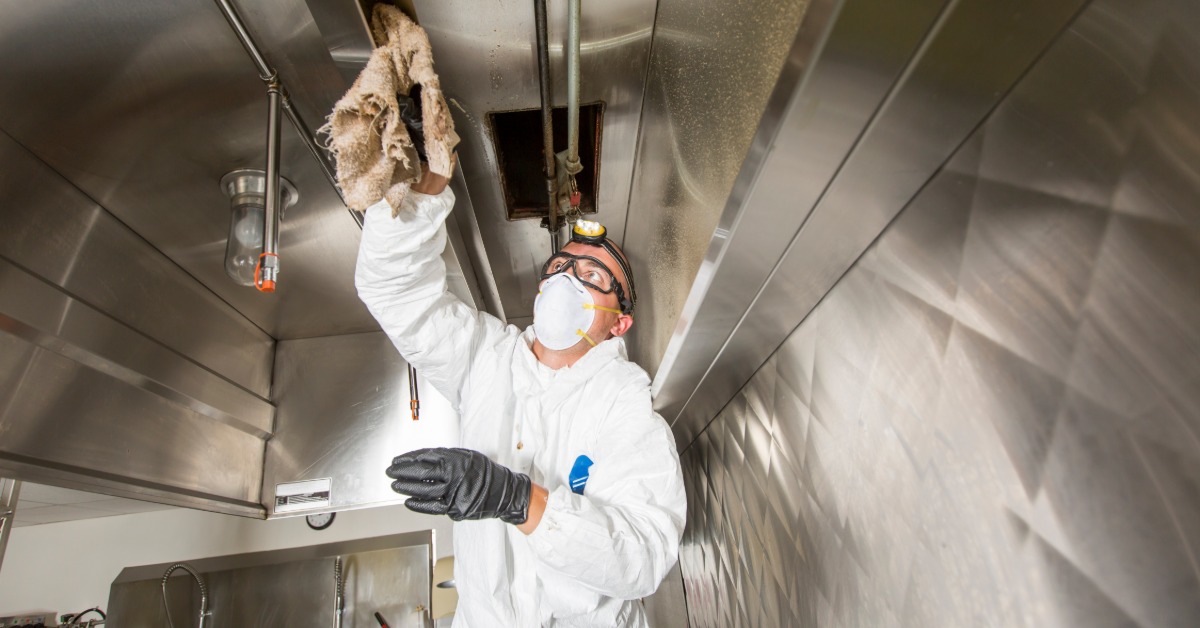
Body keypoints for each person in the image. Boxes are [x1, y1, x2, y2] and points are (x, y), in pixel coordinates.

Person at [355, 163, 686, 627]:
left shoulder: (628, 415)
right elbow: (395, 293)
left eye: (592, 276)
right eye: (559, 268)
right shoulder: (485, 360)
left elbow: (644, 557)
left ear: (620, 322)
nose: (567, 280)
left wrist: (516, 499)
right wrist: (423, 186)